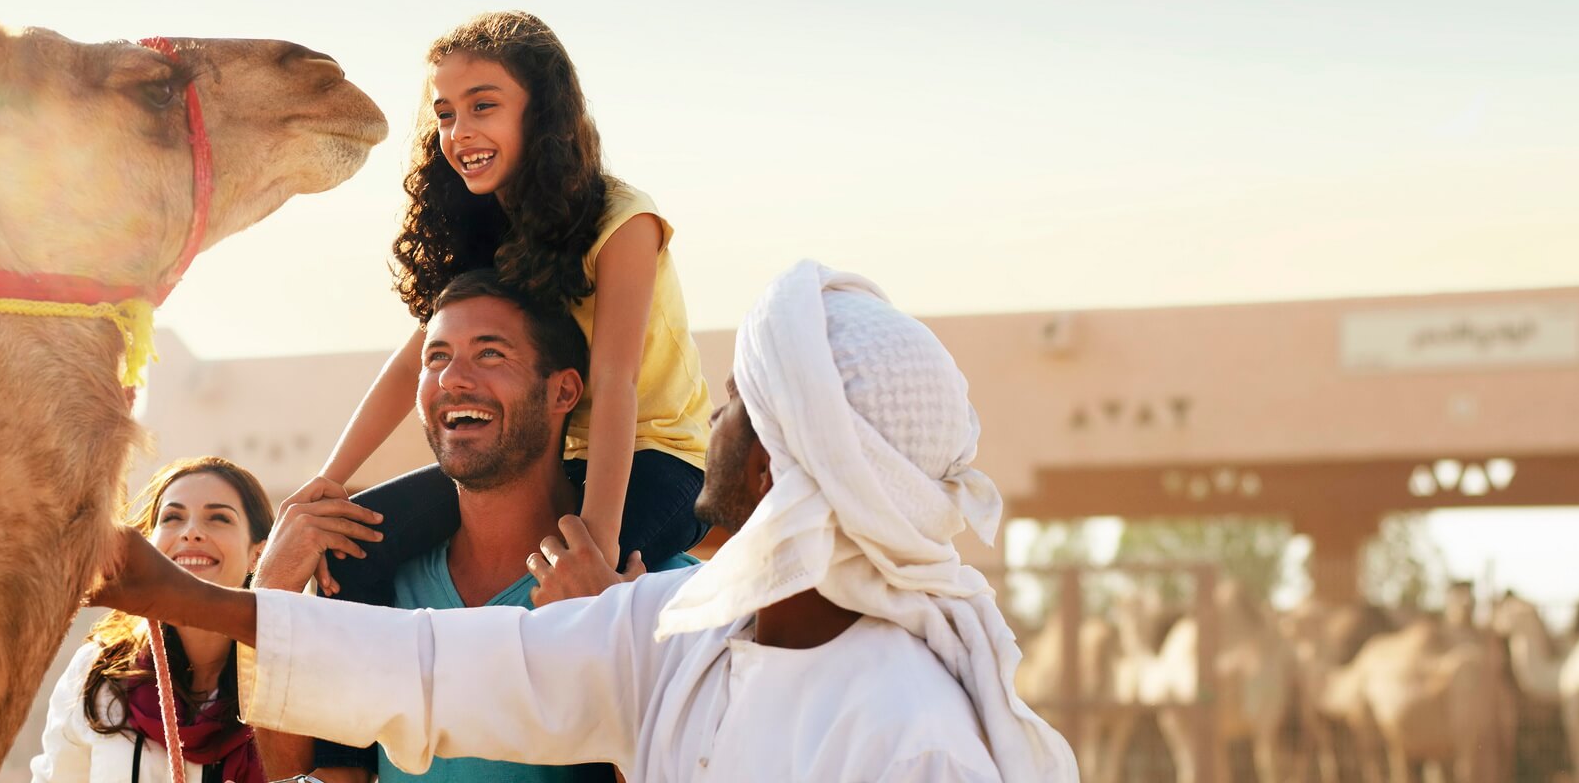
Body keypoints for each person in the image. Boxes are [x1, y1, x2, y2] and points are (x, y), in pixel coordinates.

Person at [95, 261, 1079, 782]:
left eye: (736, 405)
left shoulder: (913, 734)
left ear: (778, 461)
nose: (710, 423)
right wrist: (173, 593)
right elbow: (431, 666)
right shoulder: (671, 630)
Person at [282, 9, 712, 605]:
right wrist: (329, 480)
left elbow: (616, 384)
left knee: (564, 591)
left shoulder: (623, 220)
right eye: (445, 113)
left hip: (656, 458)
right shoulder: (488, 231)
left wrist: (597, 554)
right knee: (349, 547)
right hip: (551, 454)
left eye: (483, 106)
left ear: (542, 111)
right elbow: (413, 363)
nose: (459, 132)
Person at [273, 269, 698, 782]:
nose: (452, 378)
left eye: (490, 353)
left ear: (563, 391)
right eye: (436, 357)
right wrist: (273, 594)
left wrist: (610, 644)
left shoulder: (668, 597)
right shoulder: (372, 588)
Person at [31, 457, 274, 783]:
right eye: (173, 518)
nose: (191, 533)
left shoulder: (283, 678)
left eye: (218, 518)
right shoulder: (97, 673)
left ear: (256, 554)